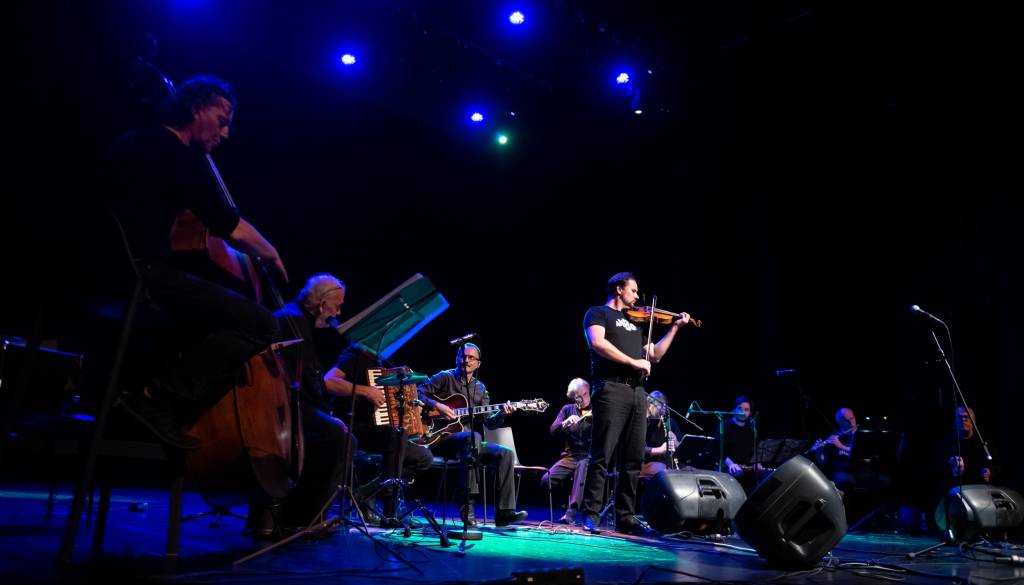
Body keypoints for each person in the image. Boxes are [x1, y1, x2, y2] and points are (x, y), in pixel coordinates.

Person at [109, 76, 287, 450]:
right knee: (262, 324)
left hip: (108, 265)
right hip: (147, 272)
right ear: (195, 108)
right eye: (222, 120)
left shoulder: (130, 141)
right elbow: (230, 227)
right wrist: (270, 252)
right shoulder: (180, 156)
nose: (226, 132)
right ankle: (156, 399)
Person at [579, 272, 691, 535]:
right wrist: (633, 362)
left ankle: (625, 517)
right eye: (634, 290)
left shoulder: (636, 322)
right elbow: (598, 343)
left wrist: (675, 328)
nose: (638, 296)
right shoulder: (597, 313)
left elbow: (655, 355)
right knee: (602, 454)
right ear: (619, 289)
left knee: (633, 458)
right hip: (611, 388)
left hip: (638, 392)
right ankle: (591, 514)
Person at [247, 274, 354, 536]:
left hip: (288, 403)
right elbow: (304, 379)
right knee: (337, 436)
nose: (338, 313)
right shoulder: (291, 320)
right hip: (276, 406)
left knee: (338, 432)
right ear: (322, 305)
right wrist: (326, 414)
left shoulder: (297, 319)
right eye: (337, 306)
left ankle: (305, 515)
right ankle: (304, 518)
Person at [418, 343, 528, 528]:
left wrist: (502, 413)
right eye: (463, 356)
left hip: (469, 444)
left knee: (505, 453)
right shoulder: (444, 377)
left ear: (478, 364)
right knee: (473, 437)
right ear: (456, 359)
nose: (466, 360)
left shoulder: (480, 388)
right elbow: (417, 393)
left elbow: (489, 422)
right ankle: (466, 504)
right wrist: (437, 406)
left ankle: (504, 513)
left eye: (471, 358)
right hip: (440, 438)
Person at [325, 342, 434, 527]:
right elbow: (329, 381)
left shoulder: (385, 362)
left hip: (380, 432)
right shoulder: (357, 353)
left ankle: (367, 491)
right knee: (395, 435)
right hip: (353, 426)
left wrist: (414, 408)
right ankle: (389, 514)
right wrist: (365, 391)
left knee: (424, 457)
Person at [542, 378, 594, 524]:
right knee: (546, 480)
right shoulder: (567, 409)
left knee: (582, 465)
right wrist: (565, 423)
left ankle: (571, 512)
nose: (583, 399)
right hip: (571, 456)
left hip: (590, 456)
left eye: (585, 394)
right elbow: (553, 430)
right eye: (578, 397)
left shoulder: (597, 409)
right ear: (573, 397)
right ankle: (564, 505)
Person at [720, 395, 763, 494]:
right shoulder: (724, 425)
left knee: (765, 476)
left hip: (746, 467)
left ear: (750, 413)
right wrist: (731, 464)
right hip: (729, 466)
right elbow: (718, 450)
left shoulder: (752, 429)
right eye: (740, 408)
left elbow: (754, 451)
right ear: (734, 410)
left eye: (746, 410)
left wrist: (756, 463)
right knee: (739, 474)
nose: (743, 412)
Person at [943, 406, 994, 486]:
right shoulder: (947, 442)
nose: (963, 419)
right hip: (956, 486)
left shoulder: (983, 441)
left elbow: (995, 464)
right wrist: (951, 464)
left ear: (973, 421)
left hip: (979, 486)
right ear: (955, 421)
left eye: (966, 417)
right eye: (960, 417)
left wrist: (988, 470)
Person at [641, 390, 682, 478]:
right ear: (649, 405)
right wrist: (660, 450)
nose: (664, 407)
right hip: (647, 462)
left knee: (691, 470)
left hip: (668, 462)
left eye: (665, 404)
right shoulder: (641, 422)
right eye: (660, 404)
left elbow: (680, 447)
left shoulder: (670, 422)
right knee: (662, 469)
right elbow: (638, 449)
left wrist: (676, 442)